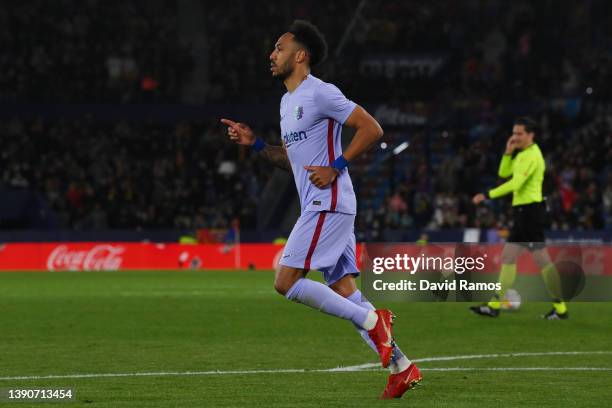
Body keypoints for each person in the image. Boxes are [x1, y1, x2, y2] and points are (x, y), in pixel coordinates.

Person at [221, 20, 421, 398]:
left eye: (279, 47)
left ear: (300, 55)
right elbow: (292, 162)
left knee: (285, 281)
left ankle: (374, 322)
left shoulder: (320, 93)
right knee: (345, 291)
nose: (272, 54)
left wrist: (337, 166)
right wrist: (258, 144)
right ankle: (402, 367)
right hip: (325, 204)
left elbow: (372, 128)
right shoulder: (286, 103)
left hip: (327, 202)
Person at [471, 117, 567, 320]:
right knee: (509, 257)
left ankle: (560, 308)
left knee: (542, 261)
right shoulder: (521, 153)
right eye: (513, 133)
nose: (515, 137)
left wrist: (487, 195)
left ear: (531, 135)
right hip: (524, 212)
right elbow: (503, 172)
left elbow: (515, 184)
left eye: (519, 134)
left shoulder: (532, 155)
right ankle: (494, 305)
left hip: (530, 212)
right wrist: (507, 152)